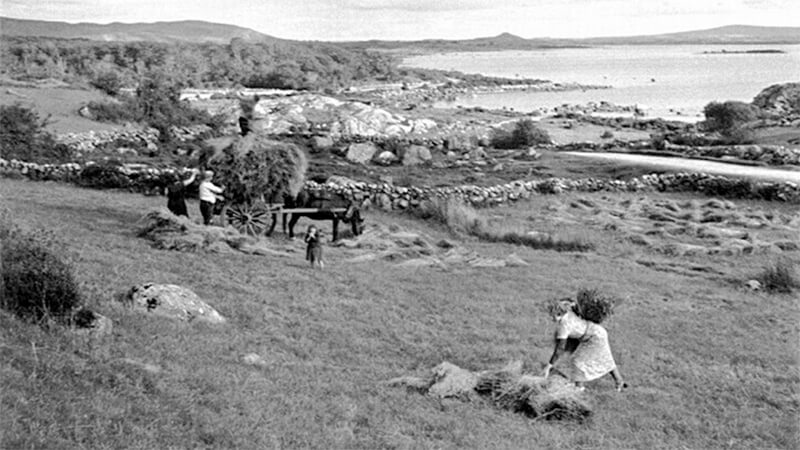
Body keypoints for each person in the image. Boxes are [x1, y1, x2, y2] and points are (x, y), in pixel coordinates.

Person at [541, 299, 627, 392]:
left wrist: (548, 367)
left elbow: (560, 349)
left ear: (558, 314)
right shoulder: (569, 312)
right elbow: (571, 303)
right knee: (605, 357)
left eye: (552, 315)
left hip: (594, 337)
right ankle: (619, 381)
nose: (551, 317)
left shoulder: (564, 326)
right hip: (598, 331)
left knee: (577, 361)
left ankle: (579, 388)